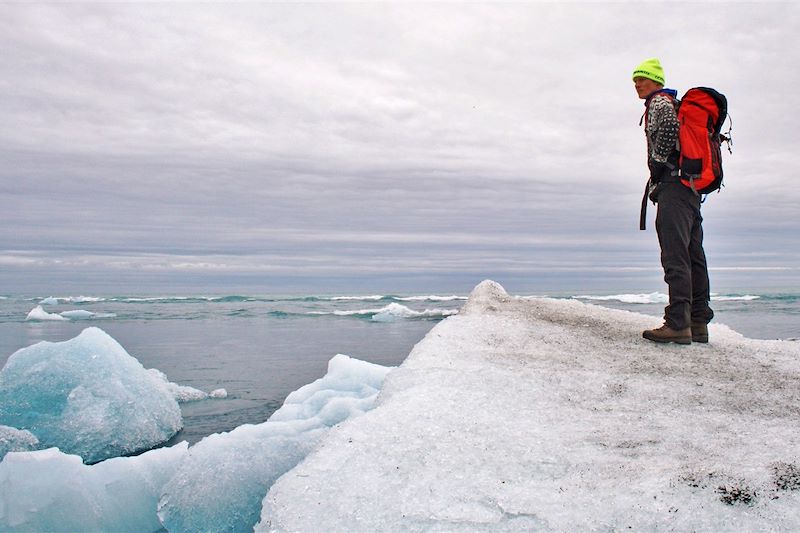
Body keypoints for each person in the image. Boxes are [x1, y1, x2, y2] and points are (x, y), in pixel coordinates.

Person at [633, 58, 714, 344]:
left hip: (673, 187)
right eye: (635, 80)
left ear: (656, 80)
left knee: (675, 255)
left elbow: (667, 130)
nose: (637, 84)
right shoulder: (672, 103)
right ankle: (698, 321)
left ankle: (678, 323)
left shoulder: (660, 103)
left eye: (641, 78)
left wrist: (657, 163)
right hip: (689, 189)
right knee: (694, 254)